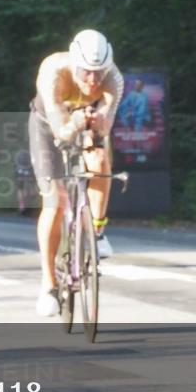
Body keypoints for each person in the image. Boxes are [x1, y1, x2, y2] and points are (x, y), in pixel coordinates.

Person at [28, 29, 124, 317]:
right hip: (48, 123)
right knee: (54, 201)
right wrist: (76, 121)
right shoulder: (53, 71)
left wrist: (97, 121)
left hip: (87, 119)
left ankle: (97, 228)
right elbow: (61, 130)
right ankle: (48, 284)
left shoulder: (114, 79)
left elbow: (106, 126)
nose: (93, 80)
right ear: (73, 63)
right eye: (86, 72)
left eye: (99, 72)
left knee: (100, 160)